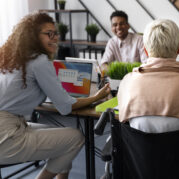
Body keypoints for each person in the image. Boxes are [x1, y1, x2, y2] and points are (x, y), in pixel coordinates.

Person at [0, 12, 111, 179]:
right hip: (7, 136)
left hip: (12, 125)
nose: (54, 38)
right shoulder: (39, 61)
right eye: (48, 34)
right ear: (33, 36)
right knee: (75, 138)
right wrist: (97, 97)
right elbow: (66, 106)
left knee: (63, 138)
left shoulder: (14, 57)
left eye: (55, 33)